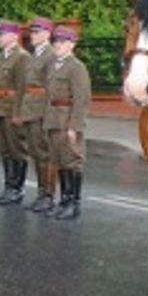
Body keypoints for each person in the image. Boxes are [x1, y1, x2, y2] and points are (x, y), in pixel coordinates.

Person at [42, 25, 91, 220]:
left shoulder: (76, 67)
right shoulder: (54, 65)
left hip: (67, 120)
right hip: (53, 119)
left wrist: (75, 126)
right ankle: (64, 199)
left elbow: (82, 98)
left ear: (72, 45)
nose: (58, 45)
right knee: (59, 161)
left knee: (72, 161)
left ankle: (74, 202)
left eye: (63, 42)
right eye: (56, 41)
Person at [0, 20, 31, 206]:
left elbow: (23, 87)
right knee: (4, 150)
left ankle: (17, 189)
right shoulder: (0, 57)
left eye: (2, 34)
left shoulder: (22, 57)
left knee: (17, 150)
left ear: (13, 36)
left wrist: (19, 113)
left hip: (12, 110)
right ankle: (8, 187)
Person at [20, 16, 58, 214]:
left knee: (45, 155)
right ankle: (42, 192)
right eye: (31, 32)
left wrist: (48, 115)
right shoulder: (35, 54)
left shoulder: (51, 55)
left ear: (46, 34)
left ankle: (48, 195)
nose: (31, 35)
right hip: (31, 110)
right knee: (35, 153)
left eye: (36, 32)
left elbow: (52, 87)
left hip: (41, 111)